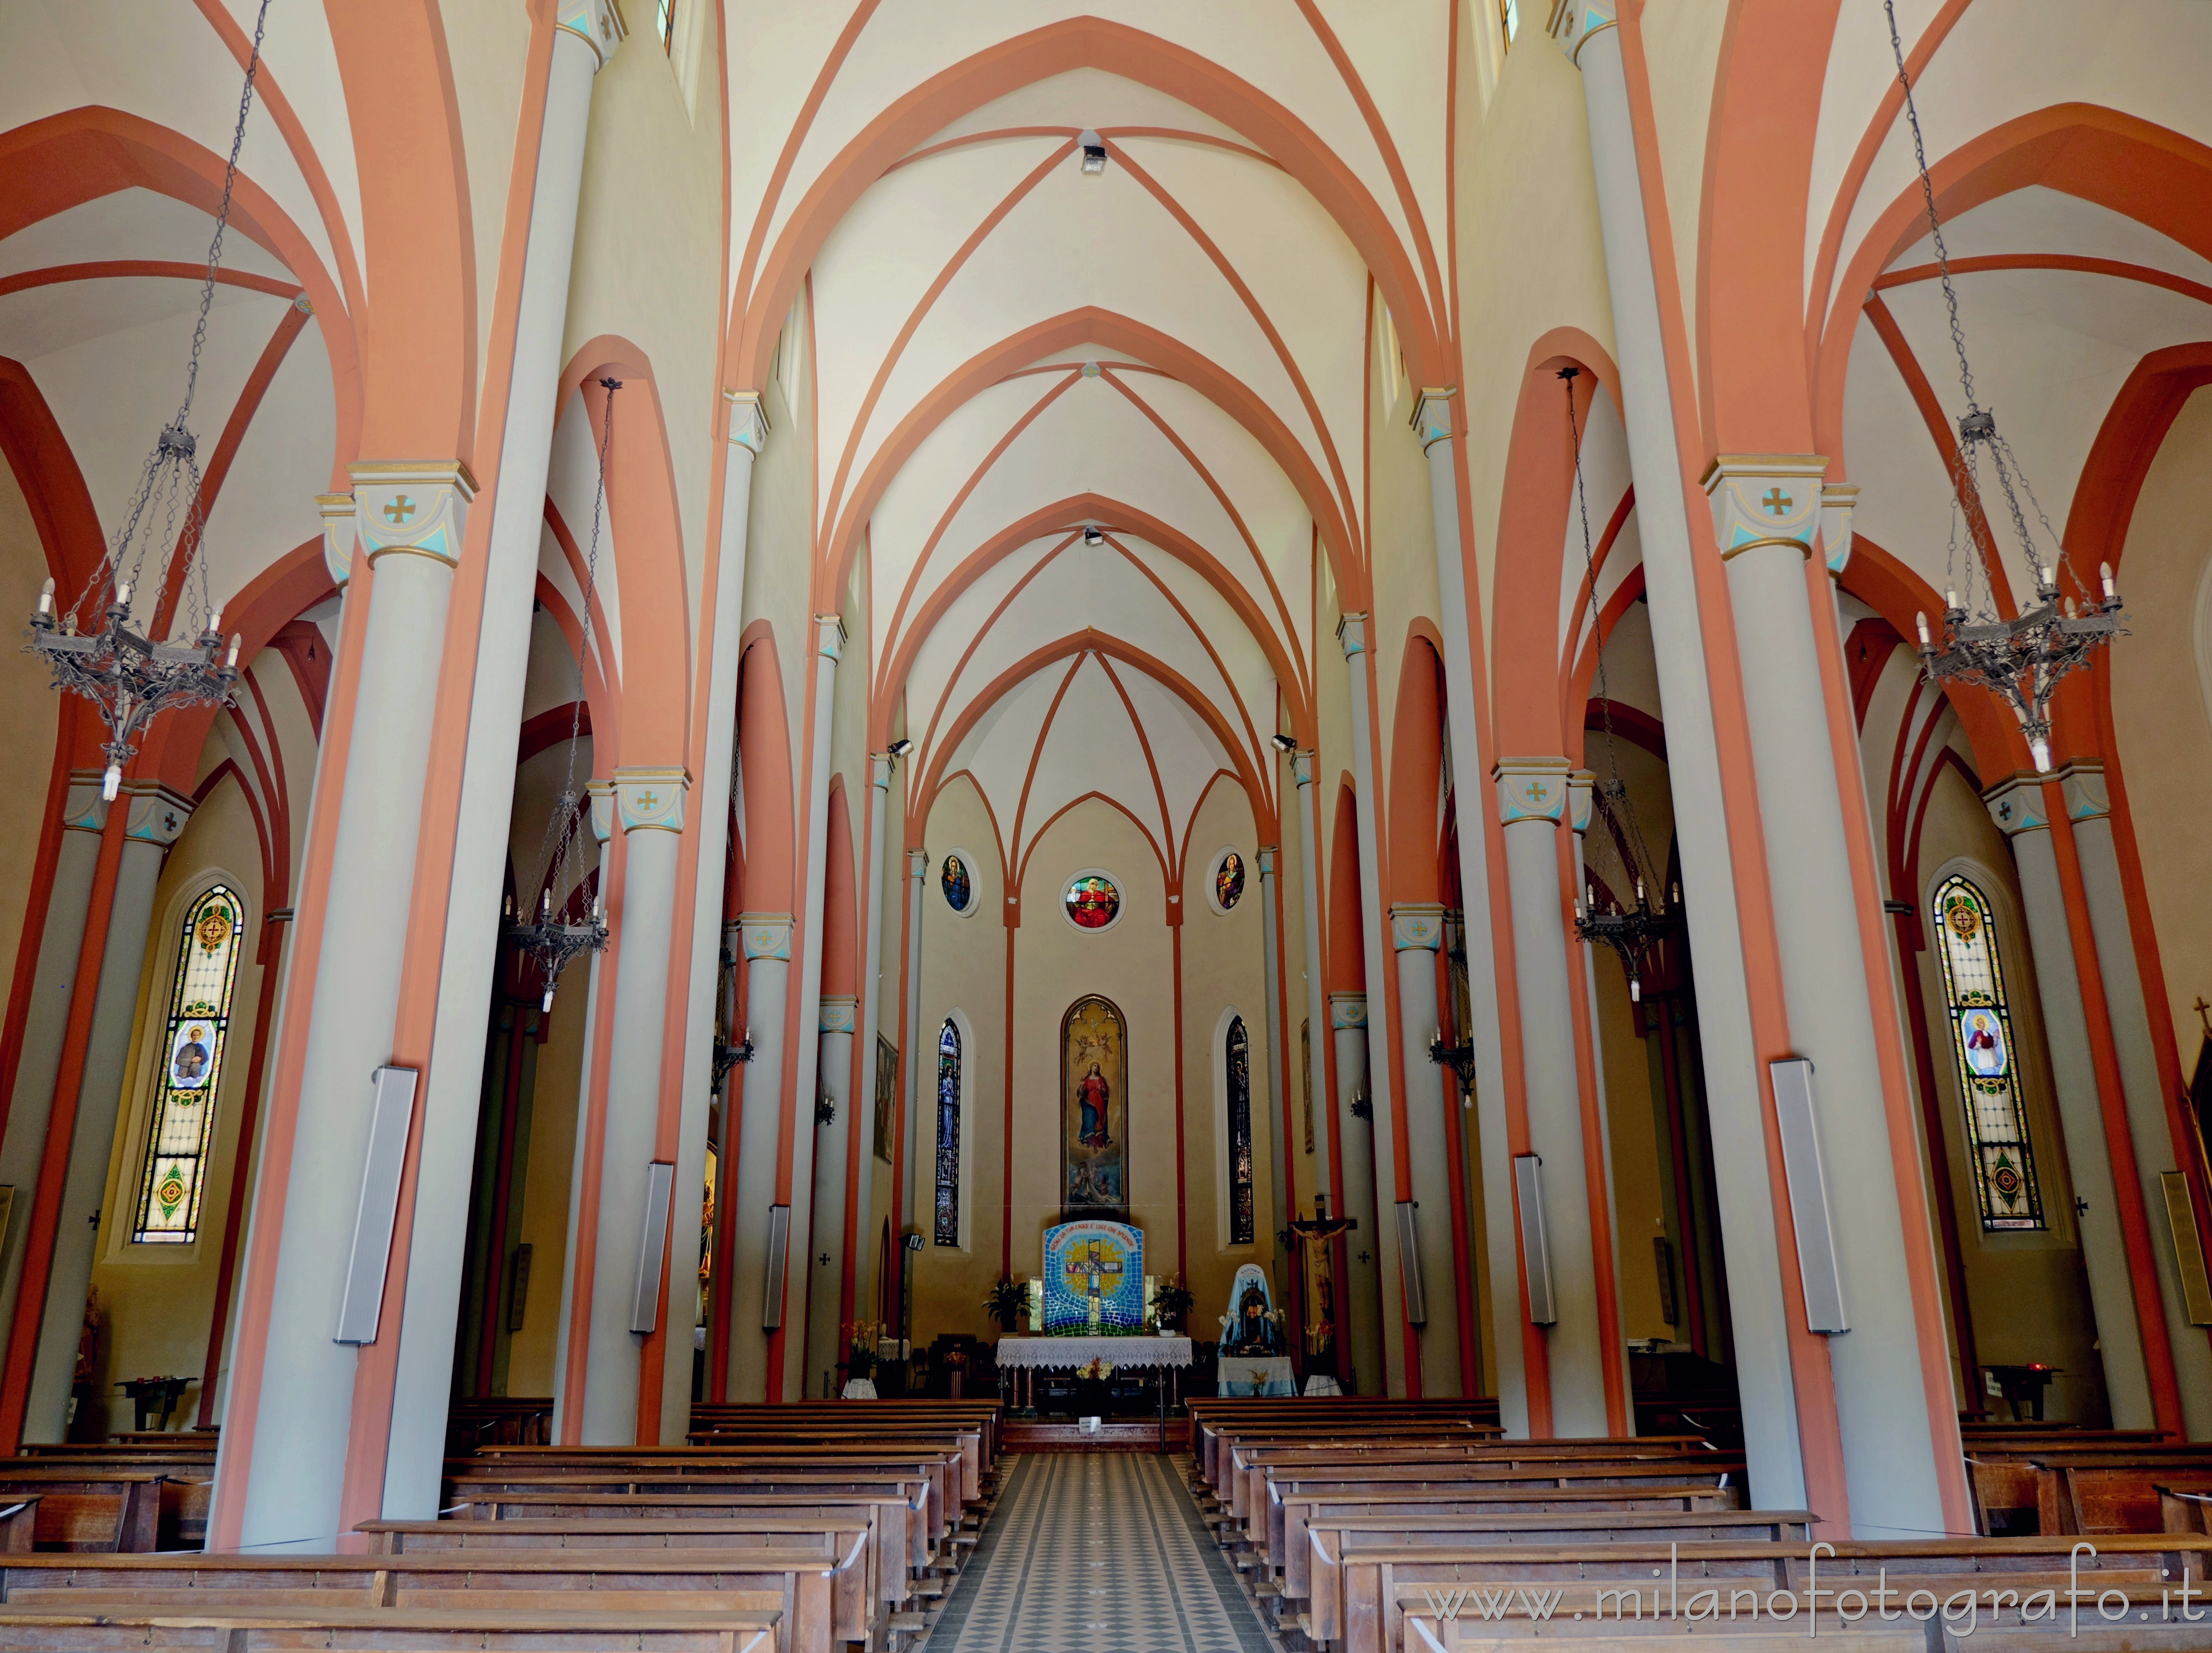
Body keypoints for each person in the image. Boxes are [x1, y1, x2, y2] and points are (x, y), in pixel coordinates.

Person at [1077, 1063, 1111, 1147]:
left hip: (1100, 1102)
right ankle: (1089, 1140)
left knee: (1100, 1119)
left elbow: (1105, 1093)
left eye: (1098, 1066)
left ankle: (1101, 1141)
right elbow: (1081, 1093)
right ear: (1091, 1067)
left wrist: (1101, 1090)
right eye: (1095, 1066)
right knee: (1091, 1117)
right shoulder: (1087, 1080)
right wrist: (1082, 1086)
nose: (1096, 1067)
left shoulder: (1100, 1079)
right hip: (1090, 1102)